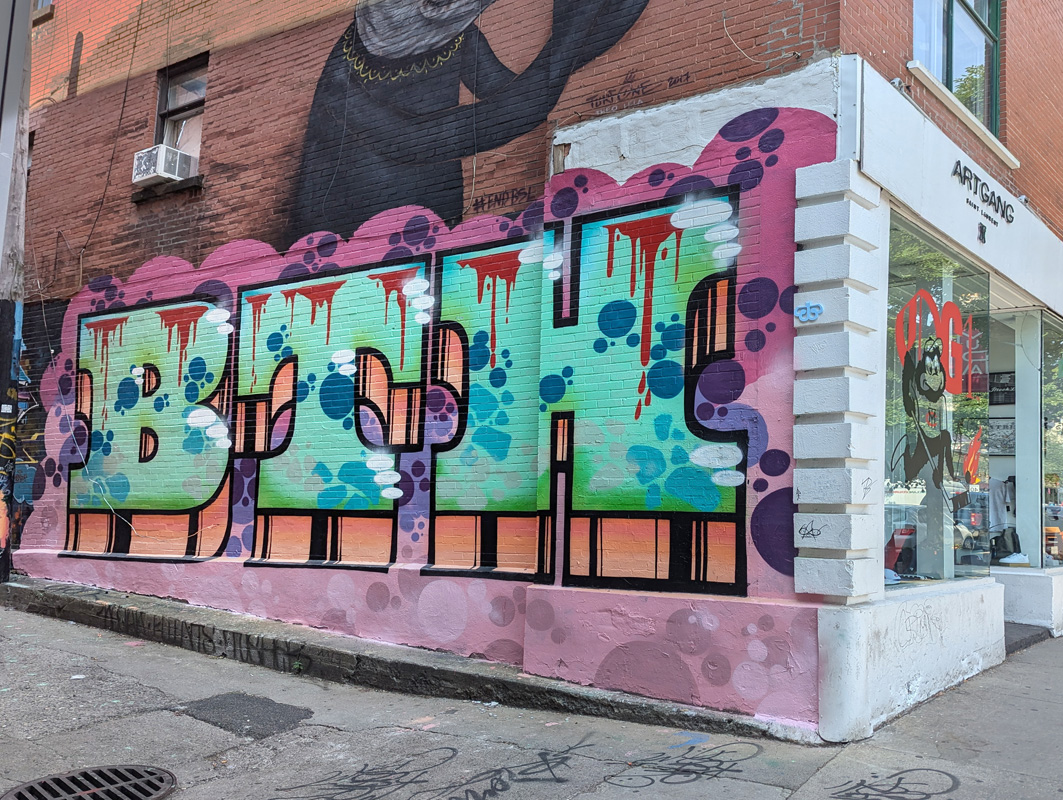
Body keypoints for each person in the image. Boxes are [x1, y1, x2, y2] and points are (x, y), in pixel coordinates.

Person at [285, 0, 650, 244]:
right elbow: (415, 139)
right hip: (350, 250)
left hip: (431, 237)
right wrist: (571, 34)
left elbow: (514, 92)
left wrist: (588, 26)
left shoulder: (453, 39)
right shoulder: (343, 80)